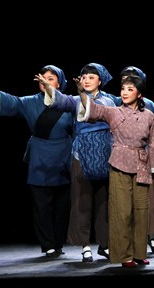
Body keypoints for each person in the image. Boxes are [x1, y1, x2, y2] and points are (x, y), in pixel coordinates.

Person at [40, 73, 154, 268]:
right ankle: (124, 255)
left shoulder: (148, 115)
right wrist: (82, 94)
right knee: (121, 212)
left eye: (130, 89)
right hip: (119, 164)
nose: (124, 93)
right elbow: (94, 109)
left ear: (140, 94)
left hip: (141, 165)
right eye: (123, 89)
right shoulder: (114, 112)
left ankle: (139, 253)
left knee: (141, 210)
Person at [0, 65, 73, 258]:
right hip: (40, 155)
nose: (45, 81)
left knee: (62, 205)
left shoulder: (68, 103)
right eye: (43, 77)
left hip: (63, 155)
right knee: (42, 204)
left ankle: (58, 242)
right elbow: (13, 102)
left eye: (51, 78)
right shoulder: (30, 102)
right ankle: (47, 244)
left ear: (59, 83)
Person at [41, 63, 115, 263]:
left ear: (100, 80)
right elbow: (60, 101)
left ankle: (105, 244)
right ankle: (85, 246)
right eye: (84, 77)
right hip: (81, 154)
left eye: (91, 77)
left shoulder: (109, 100)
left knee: (104, 202)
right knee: (81, 201)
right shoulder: (75, 100)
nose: (86, 80)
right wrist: (48, 88)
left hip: (104, 154)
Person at [102, 66, 154, 254]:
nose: (126, 85)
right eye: (124, 81)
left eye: (132, 81)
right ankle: (123, 244)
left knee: (149, 198)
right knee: (122, 202)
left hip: (145, 158)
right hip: (122, 158)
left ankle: (152, 234)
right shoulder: (116, 103)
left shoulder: (149, 106)